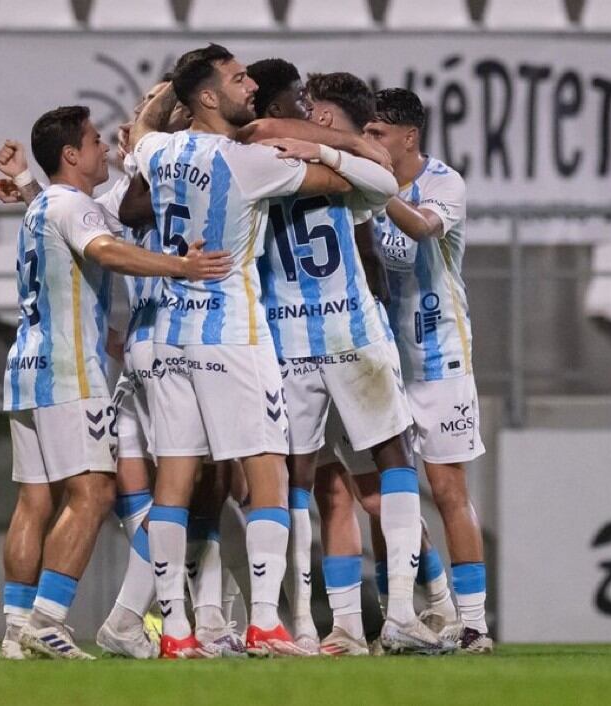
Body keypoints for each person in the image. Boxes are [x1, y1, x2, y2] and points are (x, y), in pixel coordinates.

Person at [126, 43, 360, 658]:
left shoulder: (161, 151)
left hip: (173, 334)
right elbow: (339, 182)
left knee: (174, 481)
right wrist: (328, 144)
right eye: (236, 79)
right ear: (207, 97)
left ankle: (174, 631)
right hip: (233, 334)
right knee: (268, 475)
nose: (250, 84)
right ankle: (265, 622)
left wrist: (157, 103)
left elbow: (142, 132)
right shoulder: (245, 161)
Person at [0, 105, 231, 660]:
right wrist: (180, 267)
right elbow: (102, 248)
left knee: (34, 502)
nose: (103, 149)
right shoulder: (75, 205)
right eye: (94, 141)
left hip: (24, 365)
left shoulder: (47, 207)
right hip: (69, 369)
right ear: (72, 155)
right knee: (93, 492)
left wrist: (25, 183)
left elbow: (77, 228)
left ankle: (15, 629)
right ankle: (49, 621)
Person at [240, 62, 448, 656]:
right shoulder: (319, 160)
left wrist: (329, 149)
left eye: (311, 107)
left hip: (298, 340)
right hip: (343, 335)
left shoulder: (263, 159)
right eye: (298, 104)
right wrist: (343, 150)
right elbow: (382, 186)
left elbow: (377, 188)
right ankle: (373, 619)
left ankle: (336, 622)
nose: (304, 114)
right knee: (361, 472)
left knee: (308, 481)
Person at [365, 88, 493, 654]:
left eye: (377, 135)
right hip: (384, 364)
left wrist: (373, 184)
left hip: (440, 359)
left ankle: (474, 624)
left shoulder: (445, 183)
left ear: (408, 136)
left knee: (447, 491)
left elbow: (420, 228)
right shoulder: (368, 188)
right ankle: (413, 607)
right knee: (384, 497)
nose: (368, 144)